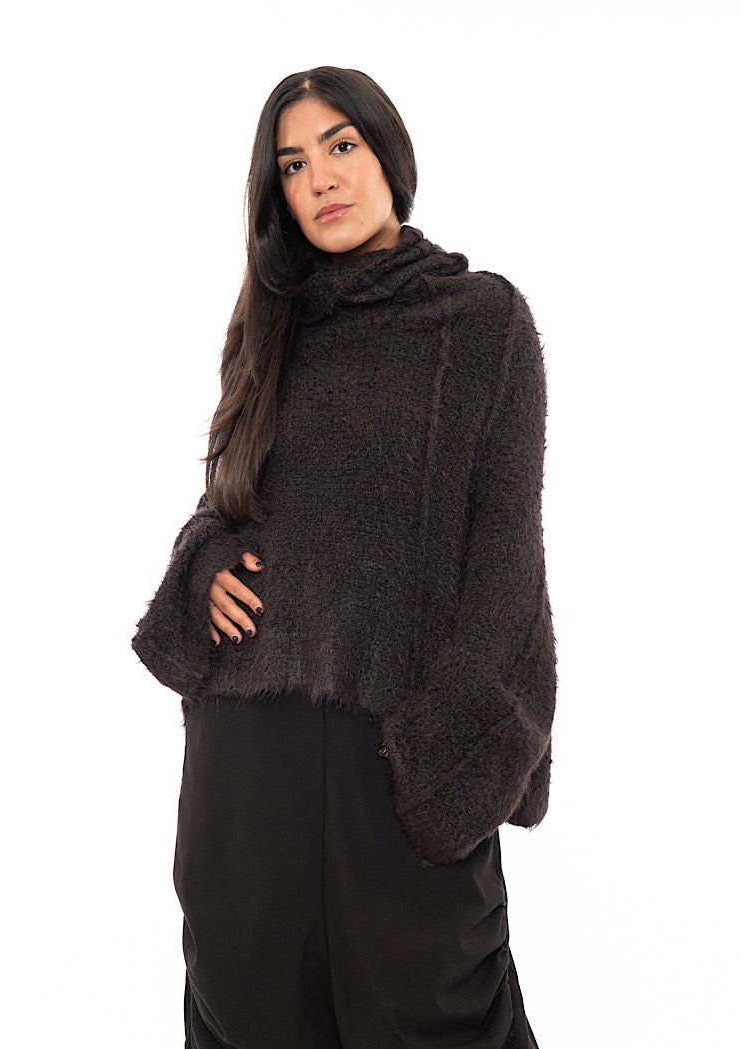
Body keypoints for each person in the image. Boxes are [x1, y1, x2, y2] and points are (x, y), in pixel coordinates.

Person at [132, 65, 557, 1049]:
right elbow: (224, 505)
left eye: (340, 146)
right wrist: (205, 564)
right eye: (292, 164)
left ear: (386, 153)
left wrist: (442, 758)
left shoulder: (484, 323)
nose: (320, 177)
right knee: (247, 1016)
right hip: (247, 760)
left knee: (439, 1017)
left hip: (396, 755)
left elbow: (507, 554)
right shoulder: (267, 329)